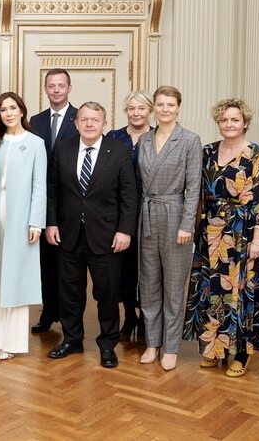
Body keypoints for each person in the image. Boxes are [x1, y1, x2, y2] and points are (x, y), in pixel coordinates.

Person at [184, 98, 259, 378]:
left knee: (240, 291)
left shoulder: (257, 154)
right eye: (224, 120)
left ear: (245, 123)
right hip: (210, 231)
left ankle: (243, 353)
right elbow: (195, 191)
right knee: (213, 291)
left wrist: (258, 239)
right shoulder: (208, 151)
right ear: (218, 123)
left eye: (235, 119)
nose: (229, 124)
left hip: (243, 232)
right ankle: (215, 347)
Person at [45, 102, 137, 369]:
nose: (89, 124)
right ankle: (72, 340)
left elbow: (129, 195)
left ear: (104, 124)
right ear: (76, 123)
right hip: (67, 233)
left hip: (107, 236)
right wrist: (51, 223)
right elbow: (52, 190)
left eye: (94, 120)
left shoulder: (118, 150)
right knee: (69, 293)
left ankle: (107, 345)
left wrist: (124, 230)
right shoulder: (63, 148)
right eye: (84, 119)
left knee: (107, 294)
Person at [135, 86, 202, 371]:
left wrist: (188, 224)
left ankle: (171, 347)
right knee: (149, 284)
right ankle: (152, 342)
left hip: (176, 216)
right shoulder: (145, 139)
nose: (164, 109)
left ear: (178, 107)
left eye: (170, 104)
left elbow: (194, 186)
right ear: (154, 108)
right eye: (159, 104)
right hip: (147, 215)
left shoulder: (189, 140)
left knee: (174, 288)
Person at [0, 93, 46, 360]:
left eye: (12, 108)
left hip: (21, 217)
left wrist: (36, 222)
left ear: (21, 111)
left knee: (16, 278)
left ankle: (13, 342)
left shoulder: (36, 143)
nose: (8, 113)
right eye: (3, 109)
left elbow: (39, 185)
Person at [28, 68, 79, 335]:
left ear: (69, 88)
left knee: (69, 264)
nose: (56, 90)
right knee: (46, 264)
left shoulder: (80, 118)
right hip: (42, 200)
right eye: (51, 85)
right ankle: (48, 312)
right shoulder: (35, 121)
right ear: (45, 89)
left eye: (61, 85)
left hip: (71, 201)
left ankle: (70, 317)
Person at [104, 90, 154, 342]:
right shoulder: (113, 137)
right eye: (132, 108)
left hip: (148, 212)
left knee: (146, 268)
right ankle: (128, 316)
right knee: (122, 269)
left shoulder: (158, 137)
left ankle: (147, 319)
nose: (136, 113)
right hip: (118, 213)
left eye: (141, 108)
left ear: (150, 111)